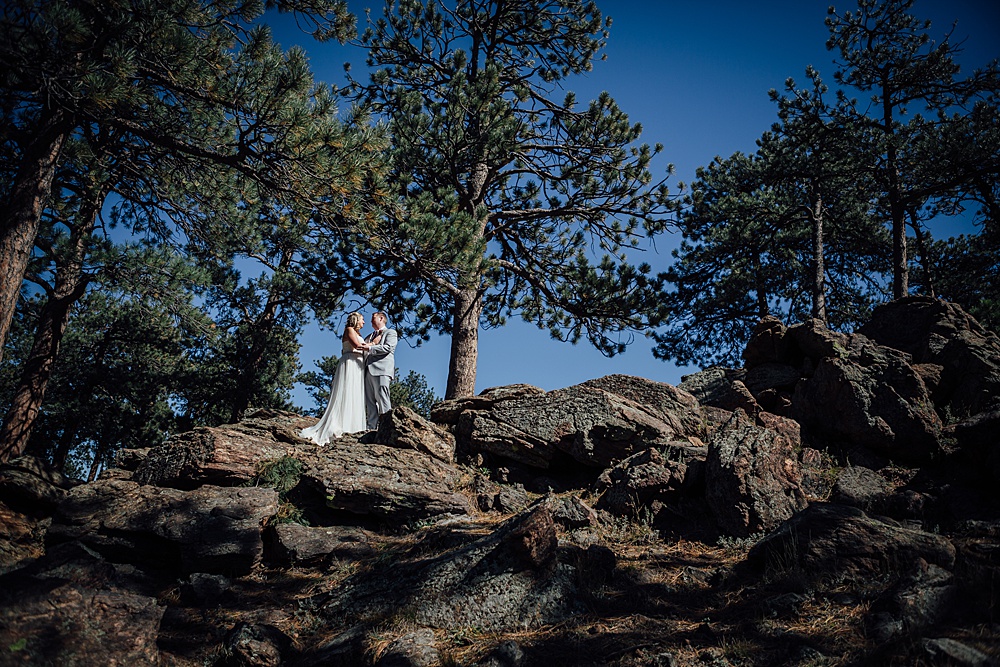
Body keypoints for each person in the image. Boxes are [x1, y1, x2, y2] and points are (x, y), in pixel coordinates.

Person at [300, 312, 367, 445]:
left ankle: (352, 425)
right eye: (362, 319)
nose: (363, 322)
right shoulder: (349, 330)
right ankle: (339, 425)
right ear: (356, 320)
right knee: (346, 392)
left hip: (357, 365)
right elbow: (357, 346)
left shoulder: (358, 333)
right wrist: (373, 345)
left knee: (354, 394)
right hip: (350, 363)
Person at [361, 311, 397, 429]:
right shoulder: (369, 336)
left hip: (382, 370)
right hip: (367, 371)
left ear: (381, 318)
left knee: (383, 398)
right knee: (370, 401)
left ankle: (387, 426)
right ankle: (371, 427)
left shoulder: (391, 333)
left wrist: (370, 347)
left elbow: (388, 348)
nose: (370, 321)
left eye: (373, 317)